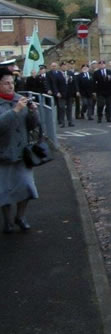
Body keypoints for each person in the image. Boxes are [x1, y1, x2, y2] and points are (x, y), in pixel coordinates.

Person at [0, 67, 39, 233]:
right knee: (5, 191)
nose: (11, 86)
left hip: (22, 153)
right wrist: (15, 111)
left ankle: (20, 216)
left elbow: (32, 126)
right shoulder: (11, 105)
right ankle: (7, 221)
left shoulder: (19, 99)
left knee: (26, 186)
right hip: (3, 153)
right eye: (6, 83)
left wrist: (32, 112)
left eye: (12, 83)